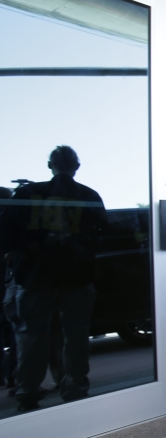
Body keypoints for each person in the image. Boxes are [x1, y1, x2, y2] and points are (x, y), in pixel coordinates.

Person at [0, 146, 106, 411]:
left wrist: (32, 247)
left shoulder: (27, 194)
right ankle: (76, 388)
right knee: (76, 335)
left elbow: (7, 237)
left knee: (31, 336)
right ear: (77, 166)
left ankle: (28, 393)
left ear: (50, 165)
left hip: (36, 277)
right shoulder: (88, 196)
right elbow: (102, 238)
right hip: (76, 277)